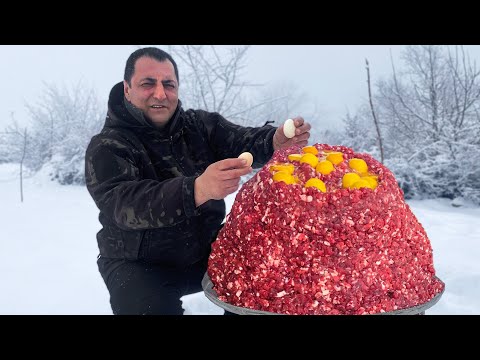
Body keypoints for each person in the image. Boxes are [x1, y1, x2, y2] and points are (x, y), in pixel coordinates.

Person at [85, 47, 312, 315]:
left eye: (168, 84)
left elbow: (241, 141)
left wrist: (273, 140)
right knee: (146, 308)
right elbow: (124, 204)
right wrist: (197, 189)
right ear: (127, 89)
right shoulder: (107, 146)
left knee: (268, 276)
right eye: (148, 83)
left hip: (204, 248)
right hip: (137, 262)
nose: (160, 93)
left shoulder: (199, 126)